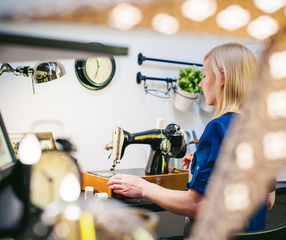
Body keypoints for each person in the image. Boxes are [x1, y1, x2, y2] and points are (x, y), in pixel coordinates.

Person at [107, 42, 275, 235]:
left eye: (204, 75)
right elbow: (268, 201)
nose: (201, 83)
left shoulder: (217, 128)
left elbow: (197, 205)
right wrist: (203, 160)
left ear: (222, 78)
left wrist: (143, 187)